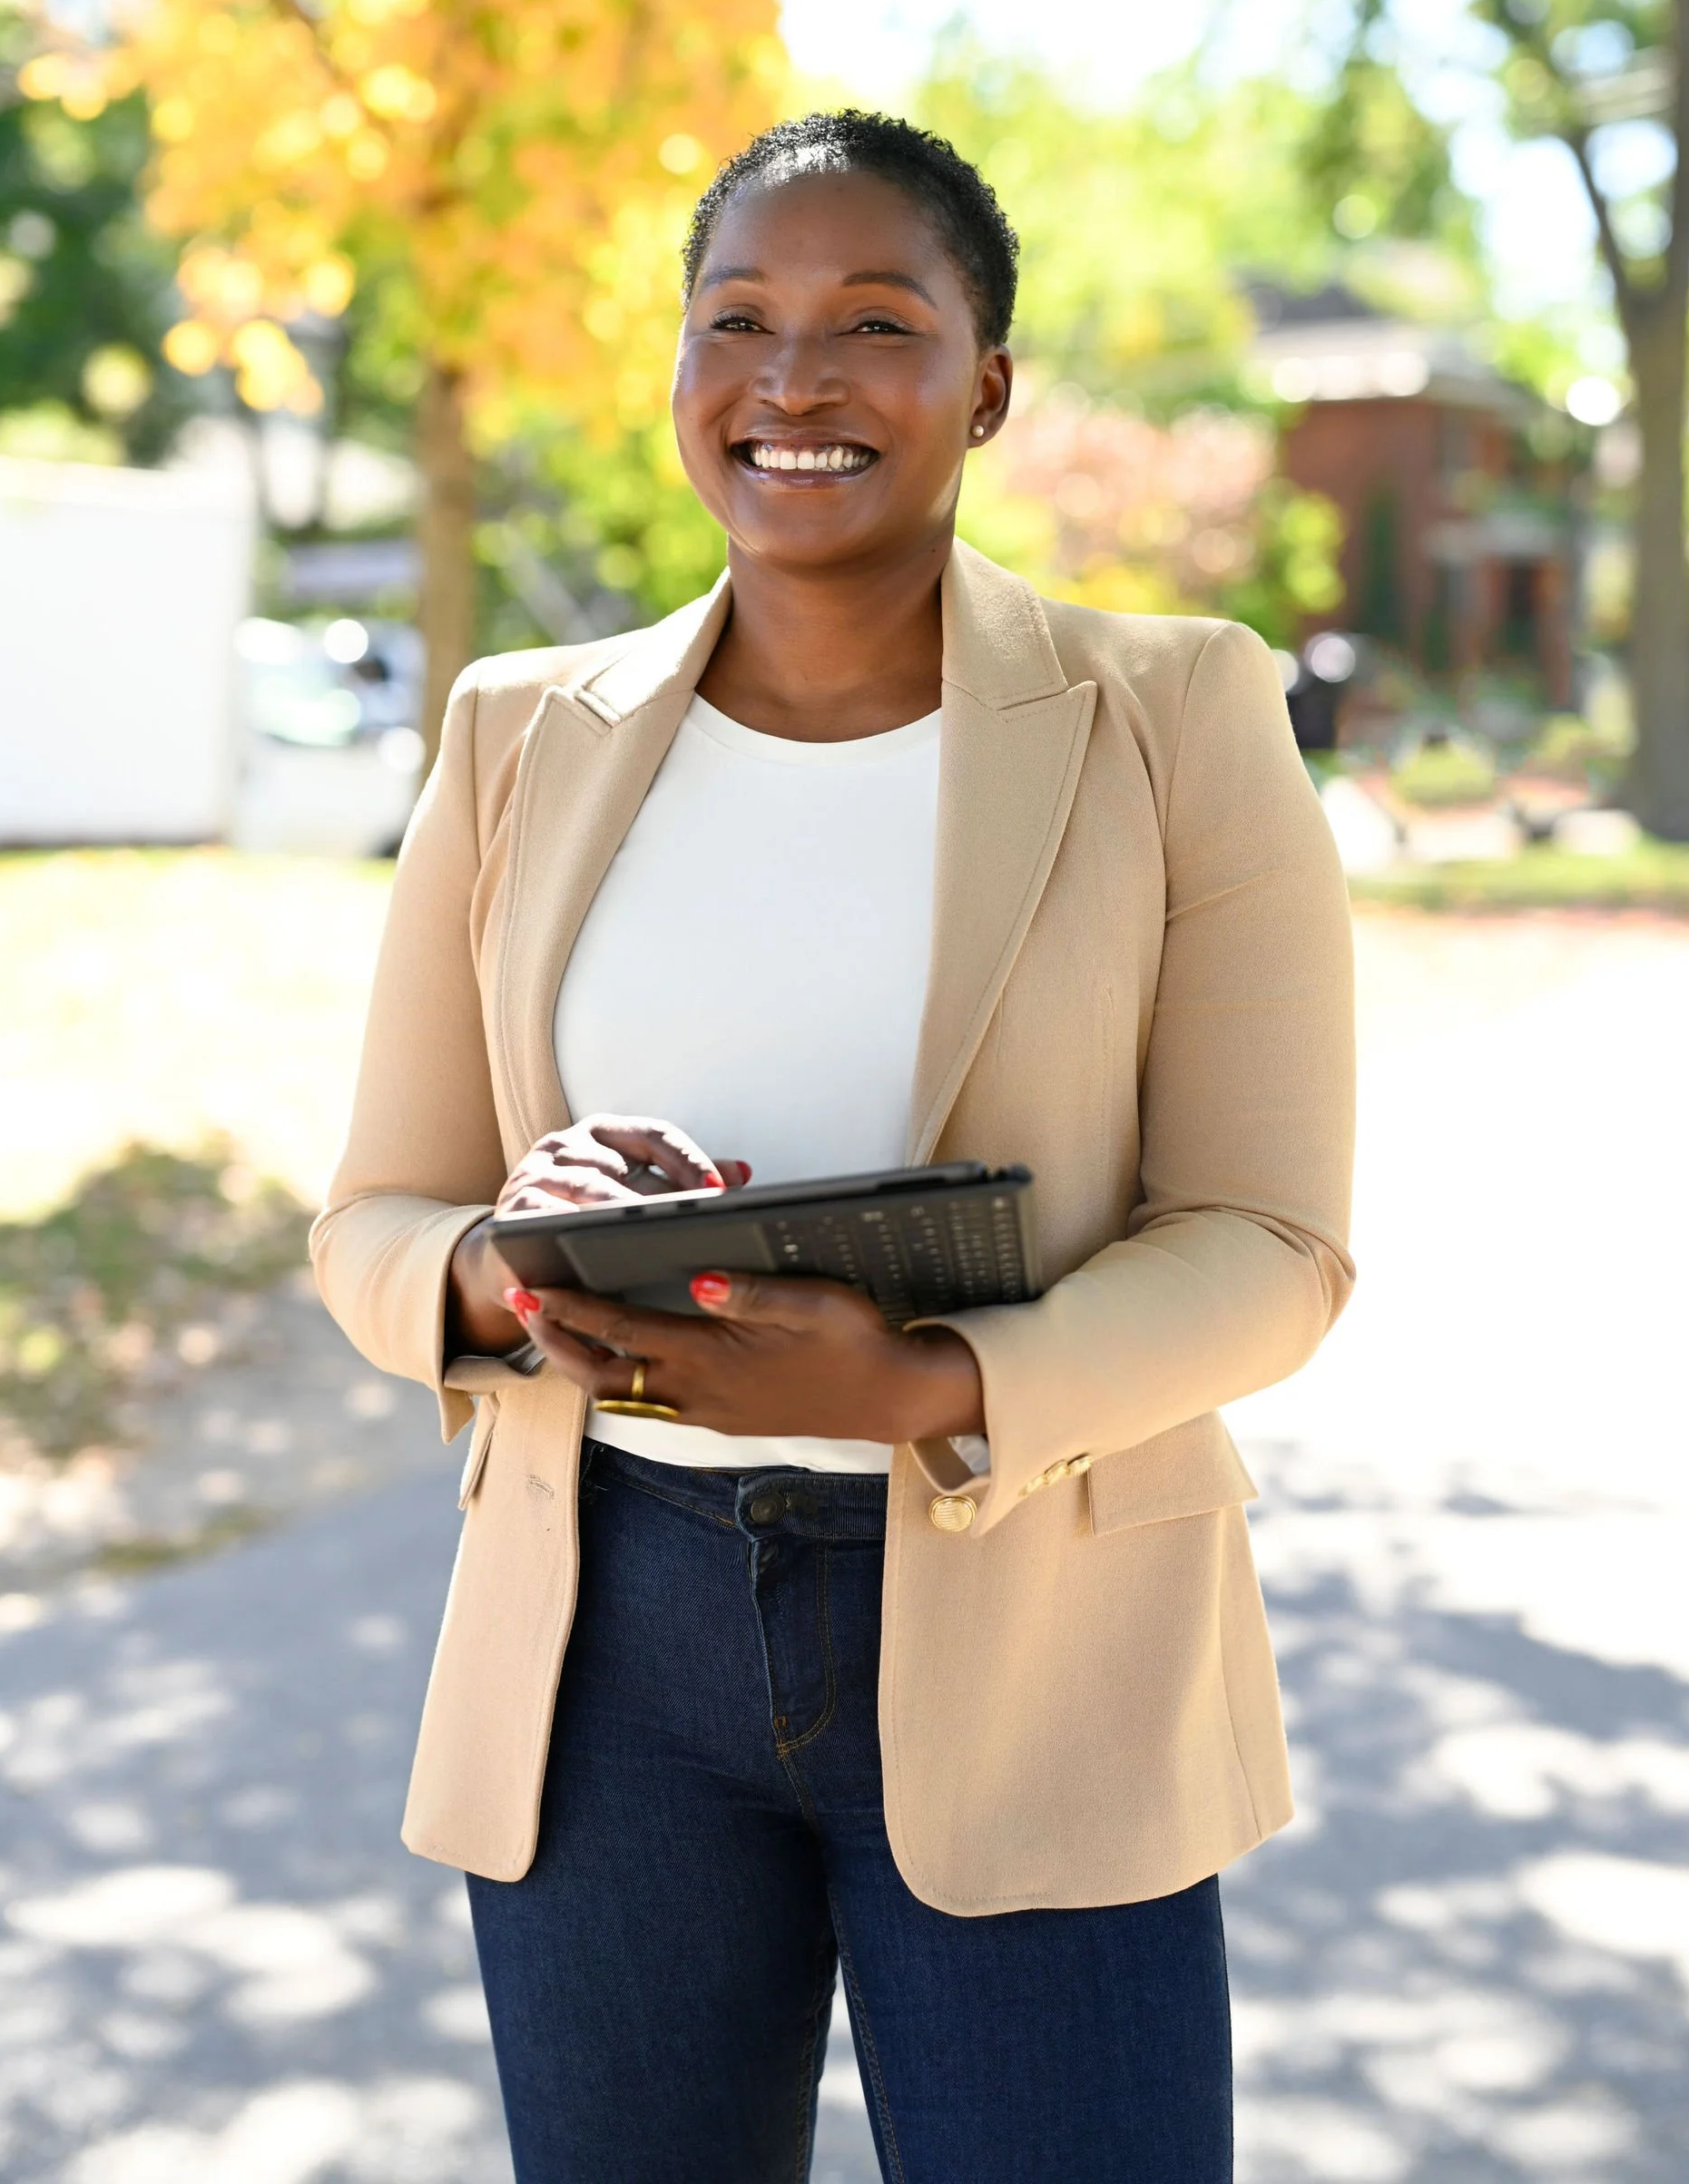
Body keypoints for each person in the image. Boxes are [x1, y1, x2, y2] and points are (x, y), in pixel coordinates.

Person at [313, 111, 1355, 2184]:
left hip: (1041, 1625)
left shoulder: (1176, 713)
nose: (792, 380)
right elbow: (373, 1218)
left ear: (986, 385)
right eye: (738, 321)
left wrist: (928, 1381)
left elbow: (1268, 1239)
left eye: (875, 323)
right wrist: (506, 1265)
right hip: (604, 1644)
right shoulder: (516, 734)